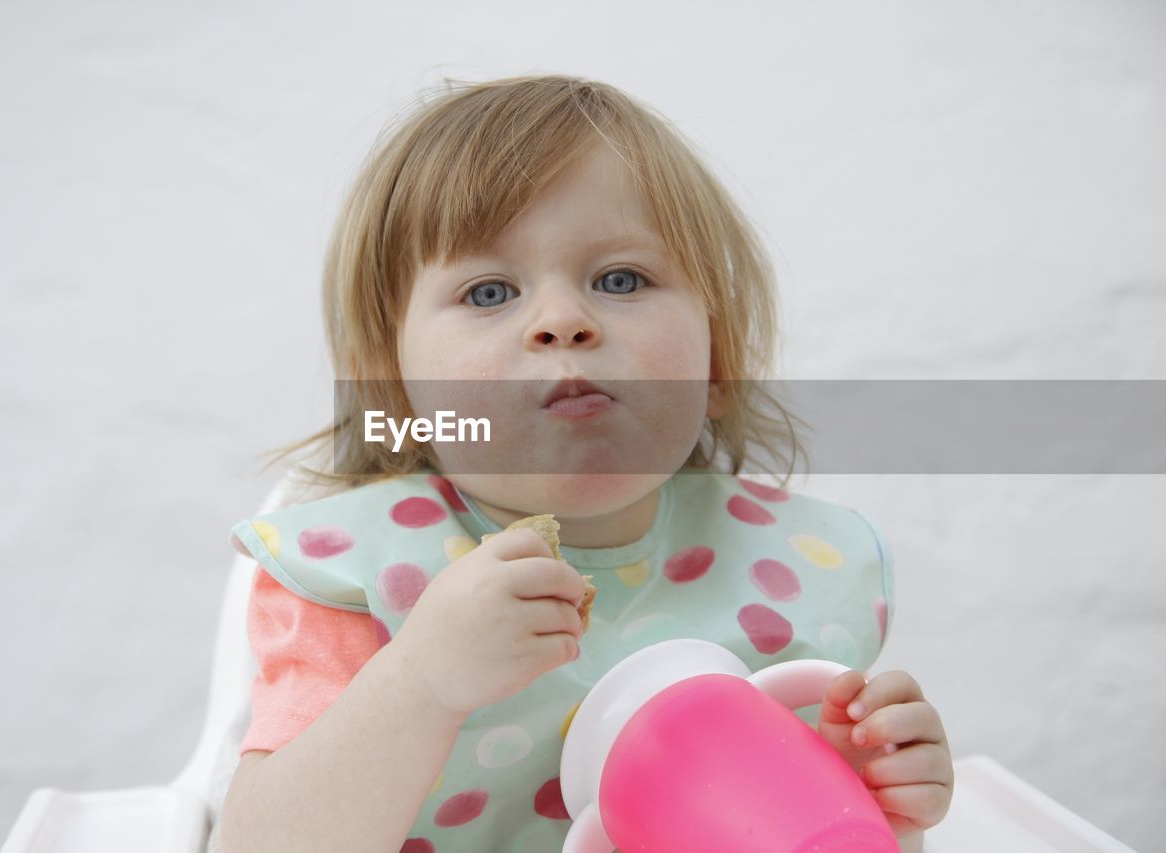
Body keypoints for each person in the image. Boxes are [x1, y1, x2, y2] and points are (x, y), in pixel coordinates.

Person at [219, 74, 952, 852]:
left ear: (718, 366)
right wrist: (421, 681)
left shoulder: (796, 566)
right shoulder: (357, 576)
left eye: (621, 279)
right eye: (490, 290)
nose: (563, 320)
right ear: (396, 391)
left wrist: (863, 785)